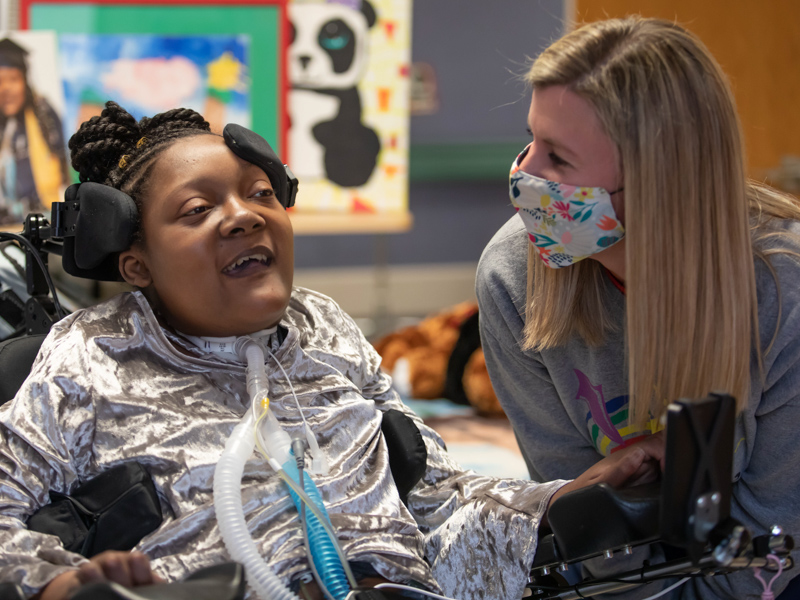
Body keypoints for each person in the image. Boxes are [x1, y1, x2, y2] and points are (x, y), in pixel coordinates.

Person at [0, 101, 663, 600]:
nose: (243, 214)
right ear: (136, 262)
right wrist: (59, 583)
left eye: (261, 192)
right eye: (198, 209)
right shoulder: (92, 354)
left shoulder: (323, 327)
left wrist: (559, 498)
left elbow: (430, 493)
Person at [476, 16, 800, 599]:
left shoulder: (784, 291)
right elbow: (586, 532)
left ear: (657, 183)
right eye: (531, 139)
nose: (524, 173)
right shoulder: (511, 278)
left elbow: (775, 547)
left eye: (560, 160)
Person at [0, 37, 69, 224]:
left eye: (13, 79)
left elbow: (62, 164)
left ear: (25, 80)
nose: (5, 89)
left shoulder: (43, 116)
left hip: (42, 217)